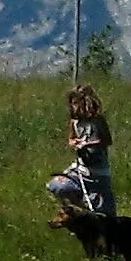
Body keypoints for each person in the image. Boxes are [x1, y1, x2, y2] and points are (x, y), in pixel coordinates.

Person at [46, 83, 116, 218]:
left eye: (77, 103)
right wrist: (75, 143)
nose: (74, 107)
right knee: (58, 186)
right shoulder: (75, 122)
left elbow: (107, 141)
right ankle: (79, 212)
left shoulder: (98, 121)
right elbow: (71, 139)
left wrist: (88, 144)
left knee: (105, 215)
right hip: (80, 170)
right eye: (72, 103)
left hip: (98, 173)